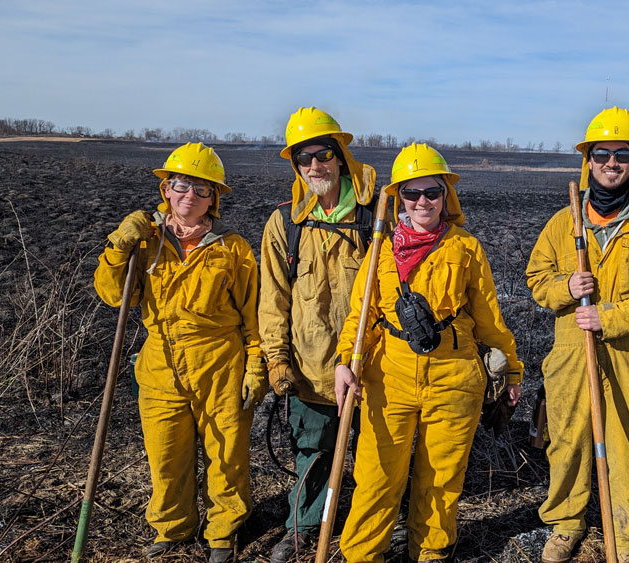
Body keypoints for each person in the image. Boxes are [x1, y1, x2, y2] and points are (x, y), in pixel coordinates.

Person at [334, 143, 523, 562]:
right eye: (412, 193)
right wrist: (346, 362)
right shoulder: (380, 248)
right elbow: (359, 317)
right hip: (389, 376)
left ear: (445, 196)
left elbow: (490, 318)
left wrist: (511, 370)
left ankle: (432, 552)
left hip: (454, 377)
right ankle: (364, 555)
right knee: (376, 475)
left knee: (440, 478)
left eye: (432, 193)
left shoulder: (466, 248)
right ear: (398, 197)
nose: (422, 202)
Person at [525, 107, 629, 563]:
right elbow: (537, 277)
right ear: (588, 160)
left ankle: (628, 536)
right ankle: (565, 524)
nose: (611, 163)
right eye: (602, 154)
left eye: (622, 154)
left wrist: (609, 317)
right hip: (572, 353)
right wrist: (566, 288)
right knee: (568, 441)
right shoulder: (564, 223)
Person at [93, 142, 264, 563]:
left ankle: (223, 533)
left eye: (202, 190)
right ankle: (173, 527)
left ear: (215, 199)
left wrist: (256, 366)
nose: (190, 196)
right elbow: (115, 296)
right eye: (181, 185)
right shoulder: (144, 243)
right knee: (166, 453)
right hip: (161, 365)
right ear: (166, 189)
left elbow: (254, 318)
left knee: (227, 456)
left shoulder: (234, 249)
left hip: (221, 364)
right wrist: (118, 245)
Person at [258, 107, 377, 562]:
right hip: (308, 372)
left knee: (376, 457)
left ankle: (376, 528)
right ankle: (303, 528)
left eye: (323, 154)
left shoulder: (375, 218)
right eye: (303, 159)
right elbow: (273, 302)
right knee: (311, 454)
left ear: (340, 155)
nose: (314, 166)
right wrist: (277, 360)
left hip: (369, 369)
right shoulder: (284, 224)